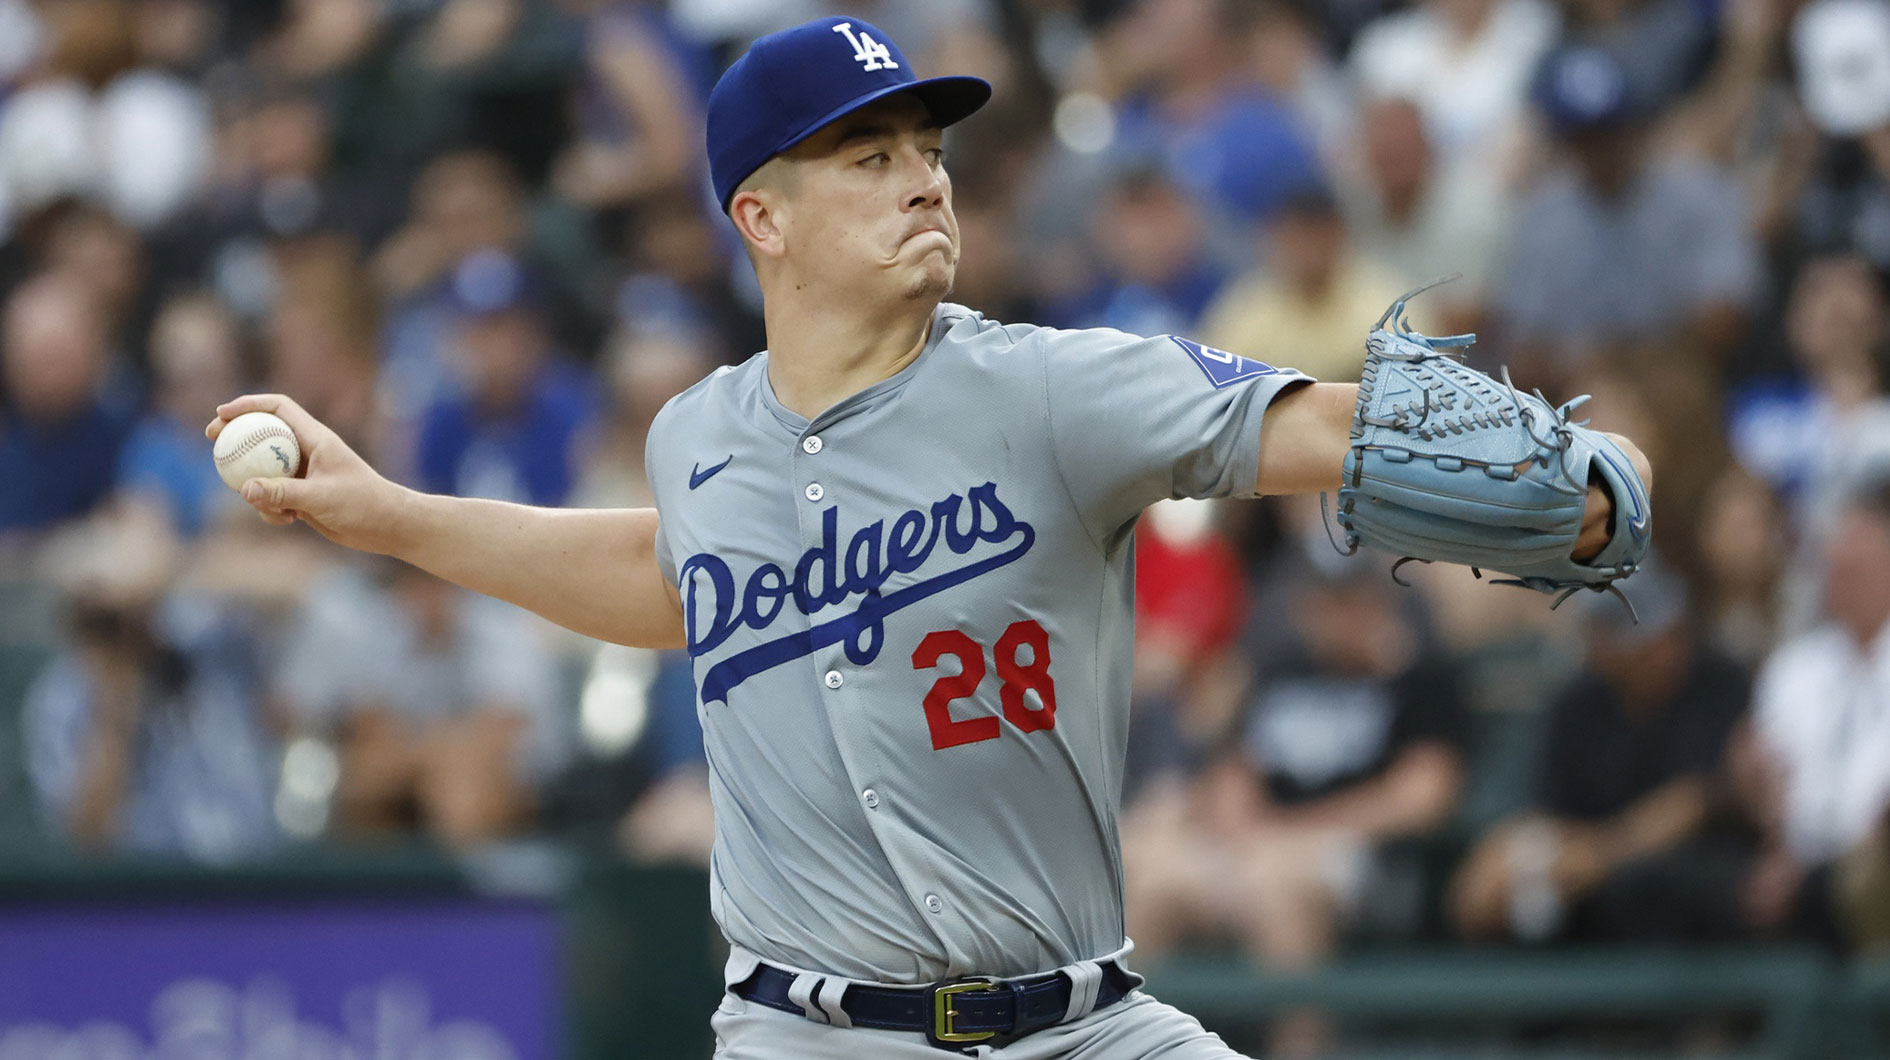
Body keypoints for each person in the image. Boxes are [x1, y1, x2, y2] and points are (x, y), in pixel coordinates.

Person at [209, 16, 1649, 1056]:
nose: (922, 177)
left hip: (1082, 1025)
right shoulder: (697, 436)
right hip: (803, 1035)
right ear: (759, 218)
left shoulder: (1052, 389)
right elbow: (673, 581)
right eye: (867, 155)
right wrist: (386, 514)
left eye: (925, 147)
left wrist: (1564, 470)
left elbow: (1324, 428)